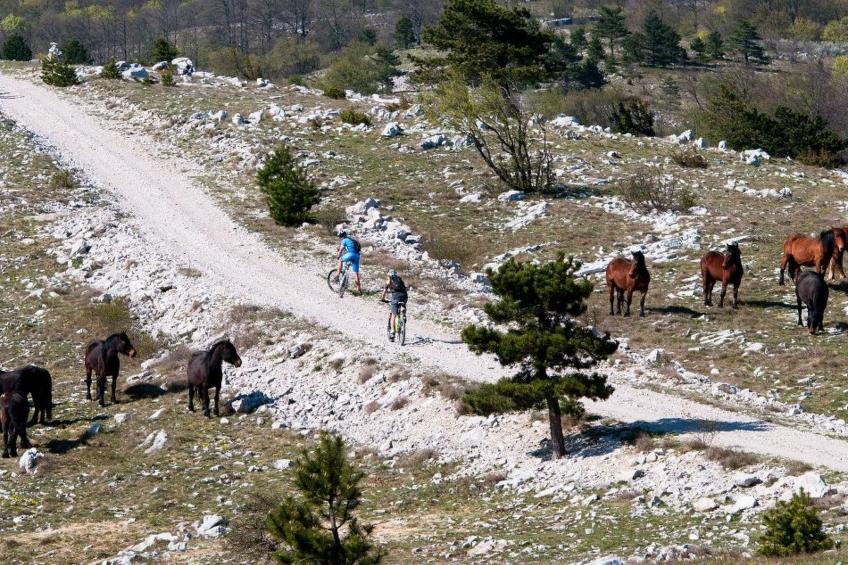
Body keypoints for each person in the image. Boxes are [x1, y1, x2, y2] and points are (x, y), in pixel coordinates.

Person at [380, 269, 407, 341]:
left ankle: (392, 332)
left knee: (393, 315)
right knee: (403, 304)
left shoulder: (388, 280)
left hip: (396, 297)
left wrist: (382, 299)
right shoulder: (399, 279)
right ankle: (403, 313)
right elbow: (405, 288)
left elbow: (384, 291)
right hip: (404, 296)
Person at [336, 230, 362, 295]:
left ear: (341, 236)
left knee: (340, 260)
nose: (339, 238)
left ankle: (337, 275)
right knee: (356, 273)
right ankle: (359, 289)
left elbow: (341, 250)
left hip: (350, 254)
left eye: (339, 237)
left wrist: (338, 256)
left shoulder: (344, 240)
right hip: (357, 256)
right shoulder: (351, 240)